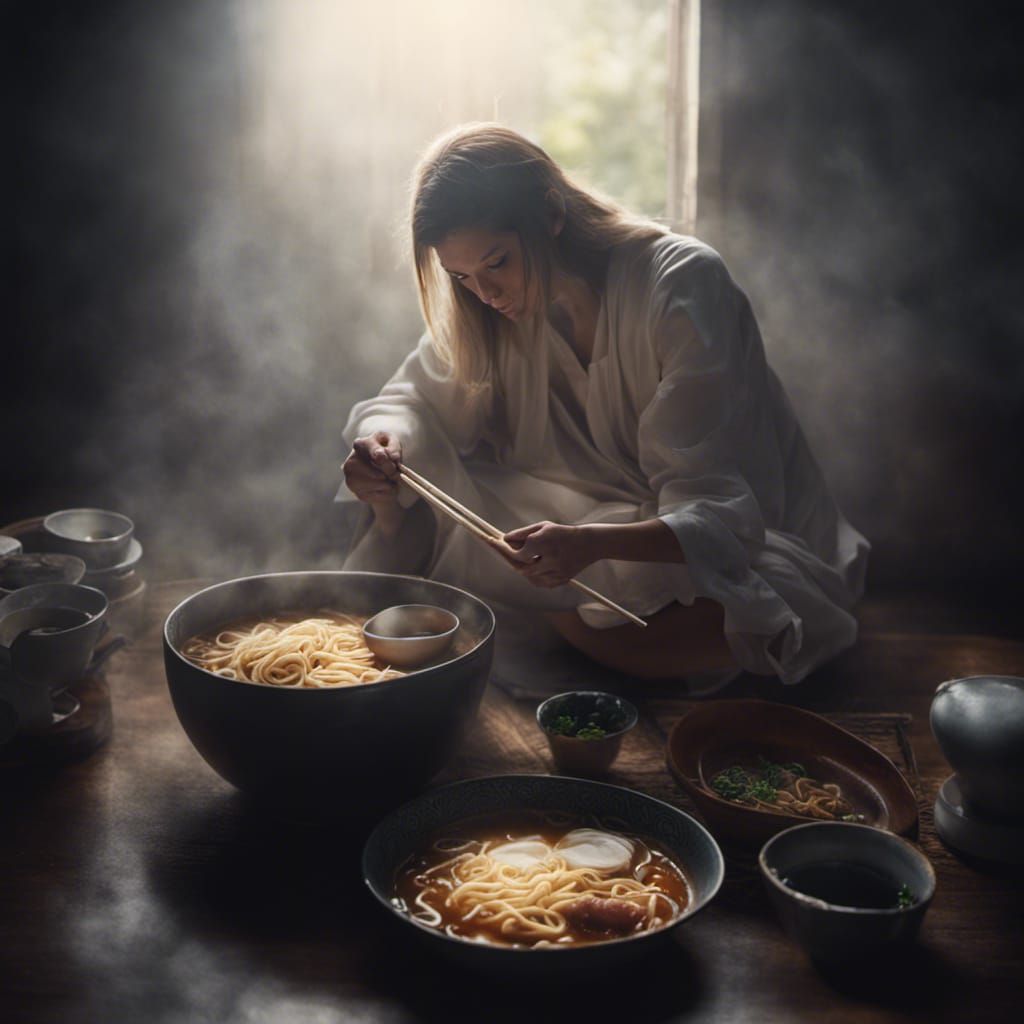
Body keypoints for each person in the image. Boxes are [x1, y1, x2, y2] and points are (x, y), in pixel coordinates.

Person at [340, 123, 869, 685]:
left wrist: (588, 547)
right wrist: (386, 445)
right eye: (462, 277)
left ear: (551, 214)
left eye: (497, 263)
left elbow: (723, 520)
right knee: (434, 482)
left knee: (746, 608)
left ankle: (547, 619)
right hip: (586, 517)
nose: (486, 294)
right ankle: (562, 618)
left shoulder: (680, 284)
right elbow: (411, 398)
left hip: (726, 531)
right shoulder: (492, 312)